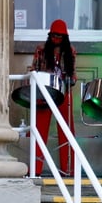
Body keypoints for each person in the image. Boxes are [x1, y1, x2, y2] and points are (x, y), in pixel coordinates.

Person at [30, 19, 77, 176]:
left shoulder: (70, 52)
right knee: (39, 130)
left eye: (60, 36)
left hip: (63, 94)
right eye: (54, 35)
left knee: (67, 131)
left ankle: (68, 169)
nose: (56, 38)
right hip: (44, 94)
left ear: (65, 37)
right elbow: (33, 70)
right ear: (50, 36)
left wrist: (71, 80)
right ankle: (35, 169)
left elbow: (73, 74)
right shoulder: (41, 50)